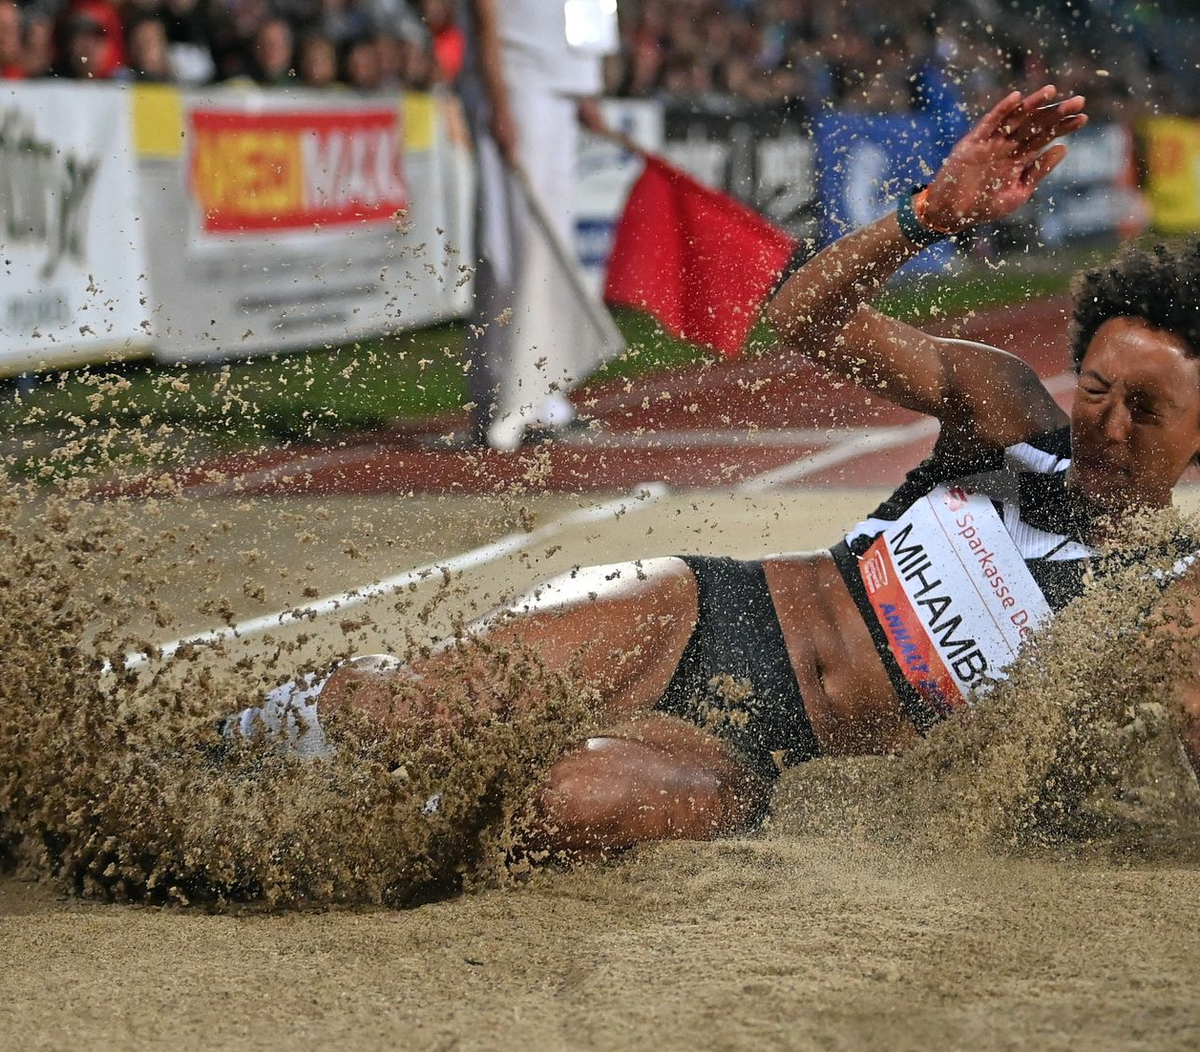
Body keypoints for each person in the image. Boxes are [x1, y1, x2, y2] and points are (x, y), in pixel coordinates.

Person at [226, 86, 1200, 854]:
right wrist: (927, 216)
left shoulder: (1168, 595)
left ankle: (307, 846)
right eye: (1100, 389)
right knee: (405, 705)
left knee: (568, 801)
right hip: (703, 612)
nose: (1107, 424)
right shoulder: (1009, 417)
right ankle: (170, 765)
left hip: (768, 747)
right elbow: (805, 322)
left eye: (1146, 408)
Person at [457, 0, 618, 451]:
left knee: (551, 242)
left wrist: (587, 88)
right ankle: (502, 396)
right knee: (511, 245)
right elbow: (483, 11)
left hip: (560, 86)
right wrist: (498, 100)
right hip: (515, 80)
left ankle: (541, 390)